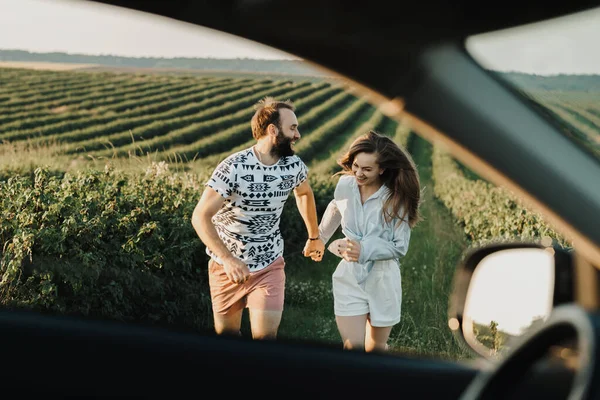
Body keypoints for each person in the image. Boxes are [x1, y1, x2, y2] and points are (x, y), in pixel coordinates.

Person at [191, 96, 325, 340]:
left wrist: (314, 236)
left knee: (265, 340)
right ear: (273, 130)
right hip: (226, 267)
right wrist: (228, 259)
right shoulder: (234, 166)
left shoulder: (294, 165)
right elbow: (200, 216)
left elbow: (304, 193)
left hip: (269, 264)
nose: (298, 134)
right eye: (292, 127)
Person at [315, 130, 421, 352]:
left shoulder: (395, 198)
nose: (358, 173)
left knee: (377, 348)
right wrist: (319, 238)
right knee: (352, 347)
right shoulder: (345, 185)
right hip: (349, 275)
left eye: (367, 169)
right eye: (355, 166)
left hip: (383, 279)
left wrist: (364, 250)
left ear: (382, 169)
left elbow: (399, 246)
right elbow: (336, 207)